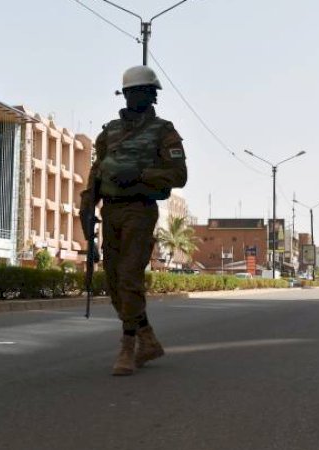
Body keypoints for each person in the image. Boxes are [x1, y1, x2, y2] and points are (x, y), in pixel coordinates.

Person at [79, 65, 188, 376]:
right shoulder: (109, 132)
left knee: (129, 277)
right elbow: (96, 175)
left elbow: (179, 175)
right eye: (131, 92)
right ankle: (147, 338)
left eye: (142, 91)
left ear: (152, 95)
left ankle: (127, 346)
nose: (136, 96)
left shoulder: (164, 132)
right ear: (124, 94)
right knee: (114, 282)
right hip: (110, 211)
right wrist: (86, 210)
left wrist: (139, 174)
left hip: (139, 210)